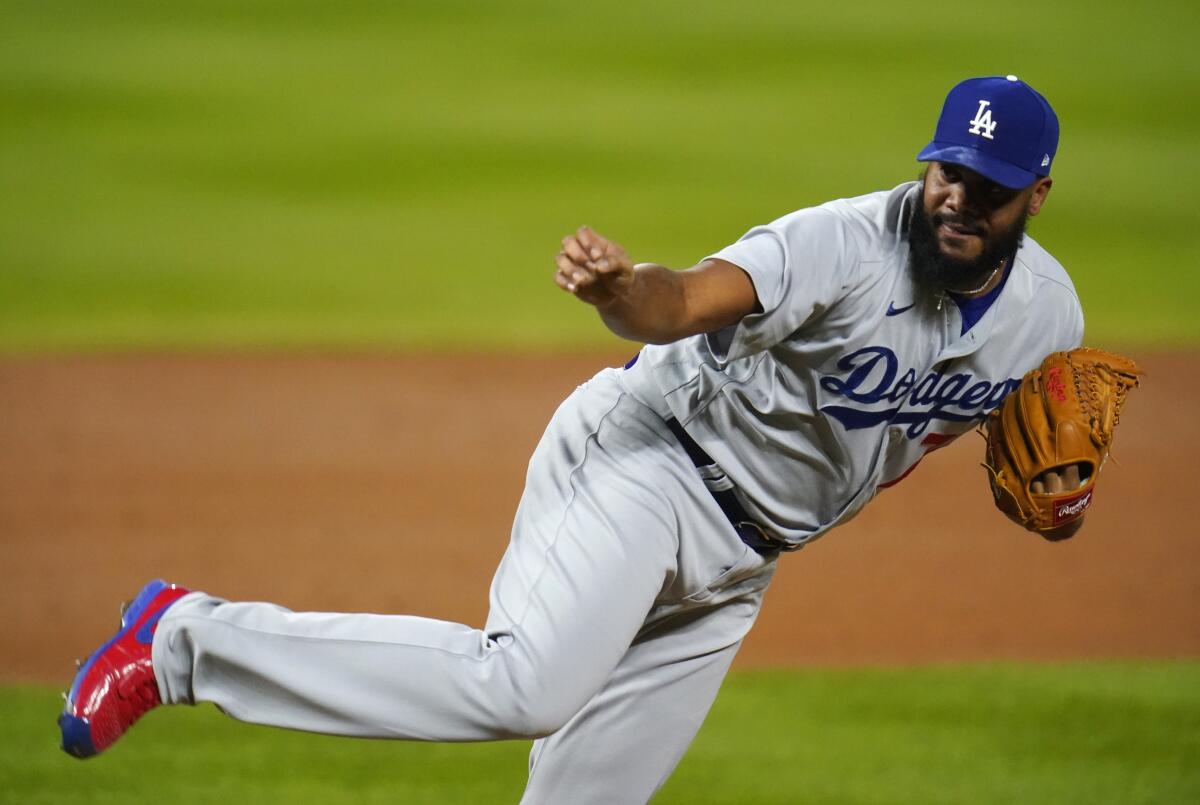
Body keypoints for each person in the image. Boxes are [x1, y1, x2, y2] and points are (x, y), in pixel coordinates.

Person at [59, 75, 1084, 802]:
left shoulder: (1050, 320)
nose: (957, 196)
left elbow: (958, 437)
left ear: (1035, 195)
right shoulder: (843, 244)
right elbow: (683, 299)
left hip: (740, 566)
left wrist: (1059, 496)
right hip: (650, 463)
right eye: (948, 169)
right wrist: (619, 292)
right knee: (524, 683)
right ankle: (179, 638)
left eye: (987, 183)